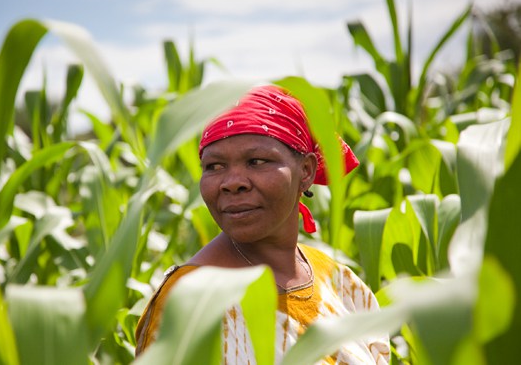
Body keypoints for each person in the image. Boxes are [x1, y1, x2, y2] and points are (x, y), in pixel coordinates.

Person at [135, 85, 390, 364]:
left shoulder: (340, 282)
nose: (233, 182)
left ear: (306, 171)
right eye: (215, 166)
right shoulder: (190, 302)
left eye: (256, 161)